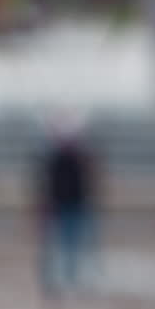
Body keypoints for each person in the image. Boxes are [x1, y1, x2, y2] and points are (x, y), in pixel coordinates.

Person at [35, 110, 98, 295]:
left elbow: (87, 181)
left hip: (75, 206)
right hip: (59, 208)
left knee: (73, 245)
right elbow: (45, 185)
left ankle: (72, 279)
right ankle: (53, 281)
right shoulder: (52, 157)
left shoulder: (79, 156)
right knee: (57, 246)